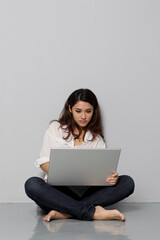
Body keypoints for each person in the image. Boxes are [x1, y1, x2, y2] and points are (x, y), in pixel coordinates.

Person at [25, 88, 134, 222]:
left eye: (88, 111)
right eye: (78, 111)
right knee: (32, 184)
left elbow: (101, 172)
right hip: (58, 191)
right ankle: (92, 212)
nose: (83, 116)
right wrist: (65, 175)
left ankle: (65, 212)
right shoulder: (55, 128)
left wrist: (110, 177)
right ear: (70, 109)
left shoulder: (97, 140)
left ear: (94, 111)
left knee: (127, 182)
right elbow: (43, 162)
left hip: (86, 192)